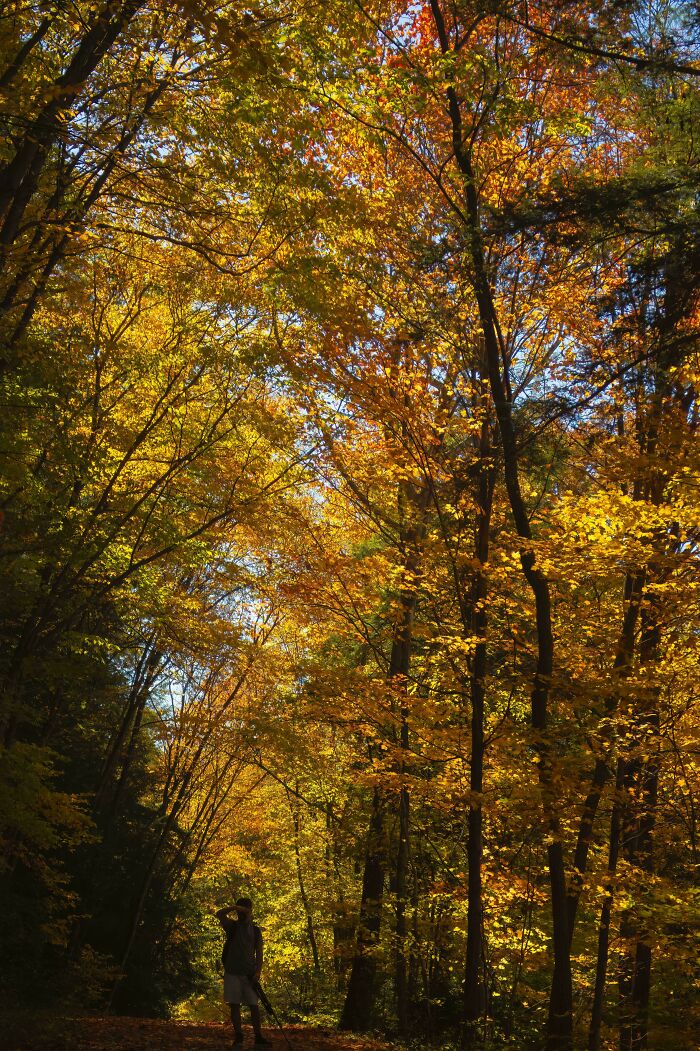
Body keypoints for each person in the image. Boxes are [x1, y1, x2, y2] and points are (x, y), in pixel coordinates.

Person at [216, 897, 271, 1046]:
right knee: (234, 1005)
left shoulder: (255, 931)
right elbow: (219, 914)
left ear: (251, 910)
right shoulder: (231, 926)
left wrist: (258, 972)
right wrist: (235, 907)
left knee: (254, 1005)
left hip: (249, 974)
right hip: (232, 972)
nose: (243, 913)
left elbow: (259, 953)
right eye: (242, 909)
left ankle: (258, 1036)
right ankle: (238, 1036)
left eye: (246, 909)